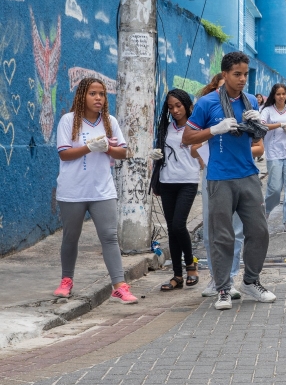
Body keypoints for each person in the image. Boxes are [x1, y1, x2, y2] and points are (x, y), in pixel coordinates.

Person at [183, 51, 276, 311]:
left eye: (245, 74)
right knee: (221, 236)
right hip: (219, 177)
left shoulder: (250, 102)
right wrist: (214, 129)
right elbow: (187, 138)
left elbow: (258, 140)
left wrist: (258, 125)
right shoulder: (207, 103)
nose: (242, 79)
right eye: (237, 74)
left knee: (259, 231)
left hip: (248, 174)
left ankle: (251, 281)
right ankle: (223, 288)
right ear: (224, 75)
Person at [53, 77, 137, 304]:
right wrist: (89, 147)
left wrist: (108, 147)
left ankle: (119, 286)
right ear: (82, 96)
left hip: (102, 190)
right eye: (93, 93)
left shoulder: (110, 121)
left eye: (101, 94)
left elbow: (123, 152)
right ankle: (66, 280)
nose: (98, 98)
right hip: (73, 190)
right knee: (71, 237)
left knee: (109, 237)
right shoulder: (68, 120)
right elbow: (64, 154)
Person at [149, 89, 202, 291]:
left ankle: (191, 264)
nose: (175, 110)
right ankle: (177, 275)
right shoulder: (166, 128)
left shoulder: (196, 127)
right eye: (171, 107)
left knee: (179, 224)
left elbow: (200, 153)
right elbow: (162, 154)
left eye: (178, 106)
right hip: (167, 181)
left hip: (188, 181)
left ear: (187, 106)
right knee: (171, 229)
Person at [260, 83, 286, 233]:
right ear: (273, 95)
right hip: (274, 153)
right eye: (278, 94)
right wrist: (279, 124)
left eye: (283, 94)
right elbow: (261, 125)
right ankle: (266, 210)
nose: (281, 96)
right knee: (275, 188)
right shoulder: (267, 111)